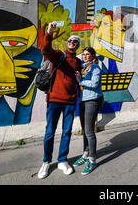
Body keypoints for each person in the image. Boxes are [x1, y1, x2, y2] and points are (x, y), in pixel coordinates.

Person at [37, 22, 82, 179]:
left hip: (70, 101)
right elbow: (45, 50)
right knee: (50, 132)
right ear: (67, 43)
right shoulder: (58, 56)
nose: (72, 43)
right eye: (70, 41)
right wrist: (49, 33)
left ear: (77, 46)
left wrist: (79, 79)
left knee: (67, 132)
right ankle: (46, 162)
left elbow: (79, 80)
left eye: (75, 42)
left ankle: (62, 160)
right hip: (55, 99)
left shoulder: (78, 62)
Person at [73, 47, 103, 175]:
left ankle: (92, 160)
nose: (85, 56)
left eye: (87, 54)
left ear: (92, 56)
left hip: (92, 100)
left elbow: (95, 83)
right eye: (83, 54)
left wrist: (81, 81)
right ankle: (85, 154)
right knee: (85, 130)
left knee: (89, 131)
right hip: (83, 100)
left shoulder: (95, 67)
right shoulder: (83, 68)